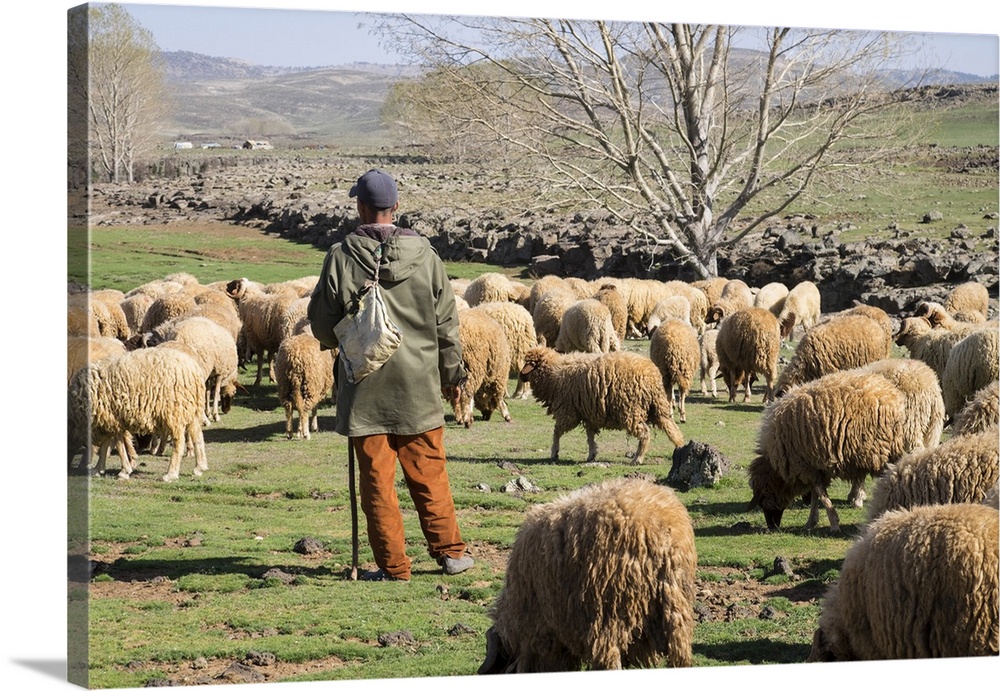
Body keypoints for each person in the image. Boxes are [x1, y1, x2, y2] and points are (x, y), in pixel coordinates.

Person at [307, 168, 474, 582]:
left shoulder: (341, 256)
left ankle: (393, 567)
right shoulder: (428, 257)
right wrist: (453, 373)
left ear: (360, 207)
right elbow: (446, 323)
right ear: (395, 207)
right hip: (419, 386)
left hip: (365, 387)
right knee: (429, 472)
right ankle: (451, 553)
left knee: (377, 484)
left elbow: (322, 325)